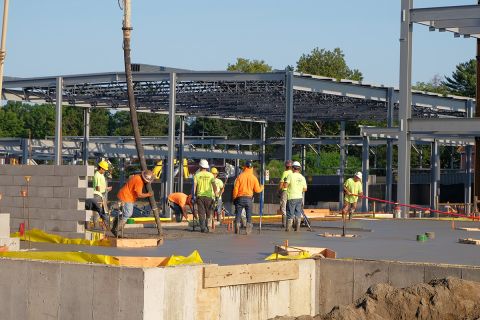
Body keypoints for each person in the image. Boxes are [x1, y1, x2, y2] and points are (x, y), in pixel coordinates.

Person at [112, 170, 154, 236]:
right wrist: (148, 194)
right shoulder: (139, 181)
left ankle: (115, 225)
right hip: (126, 197)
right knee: (128, 214)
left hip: (124, 195)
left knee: (125, 213)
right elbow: (139, 195)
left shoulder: (137, 176)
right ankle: (117, 230)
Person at [232, 161, 263, 235]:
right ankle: (248, 230)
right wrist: (262, 187)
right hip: (249, 199)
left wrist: (234, 197)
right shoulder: (254, 178)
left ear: (245, 167)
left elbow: (236, 189)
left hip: (240, 198)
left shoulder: (240, 176)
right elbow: (257, 190)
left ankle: (237, 226)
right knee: (248, 215)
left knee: (238, 214)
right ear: (251, 168)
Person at [193, 159, 217, 233]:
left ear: (200, 166)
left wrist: (194, 195)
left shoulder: (197, 175)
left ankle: (203, 227)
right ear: (206, 167)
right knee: (208, 212)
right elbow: (214, 186)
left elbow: (194, 186)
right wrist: (216, 194)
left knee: (201, 212)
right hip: (209, 197)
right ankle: (208, 226)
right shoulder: (210, 175)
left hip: (200, 196)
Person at [87, 160, 112, 229]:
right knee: (98, 212)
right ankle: (99, 227)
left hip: (99, 195)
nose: (104, 171)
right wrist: (105, 190)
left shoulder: (100, 175)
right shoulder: (97, 175)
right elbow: (98, 187)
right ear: (101, 168)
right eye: (104, 170)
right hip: (97, 195)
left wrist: (106, 188)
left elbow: (101, 186)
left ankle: (97, 226)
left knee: (98, 211)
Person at [284, 161, 307, 232]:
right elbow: (305, 189)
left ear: (293, 168)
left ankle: (288, 228)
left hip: (291, 197)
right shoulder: (302, 177)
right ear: (299, 168)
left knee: (290, 213)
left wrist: (285, 181)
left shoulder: (290, 175)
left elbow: (285, 186)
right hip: (299, 198)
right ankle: (297, 228)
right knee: (298, 213)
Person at [278, 160, 293, 227]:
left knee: (283, 207)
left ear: (286, 166)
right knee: (290, 207)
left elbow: (281, 183)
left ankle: (284, 223)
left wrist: (278, 191)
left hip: (284, 191)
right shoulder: (293, 173)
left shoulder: (285, 172)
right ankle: (291, 223)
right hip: (291, 192)